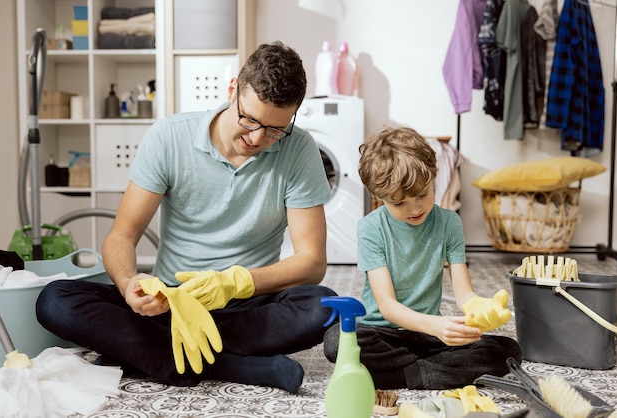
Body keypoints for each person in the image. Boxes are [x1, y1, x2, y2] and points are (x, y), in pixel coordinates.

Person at [36, 41, 337, 394]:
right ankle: (231, 365)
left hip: (247, 304)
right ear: (231, 91)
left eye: (275, 129)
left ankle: (146, 355)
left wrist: (233, 282)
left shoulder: (299, 150)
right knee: (55, 300)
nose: (258, 138)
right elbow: (122, 235)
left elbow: (312, 262)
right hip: (170, 303)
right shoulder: (169, 136)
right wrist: (129, 284)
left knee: (323, 304)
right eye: (250, 119)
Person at [323, 126, 522, 390]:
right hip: (382, 333)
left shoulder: (449, 222)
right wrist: (437, 325)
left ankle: (399, 374)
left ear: (433, 179)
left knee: (508, 350)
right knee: (337, 340)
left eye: (422, 195)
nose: (415, 208)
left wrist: (478, 308)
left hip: (428, 336)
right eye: (399, 203)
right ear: (379, 197)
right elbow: (387, 305)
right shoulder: (371, 228)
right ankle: (424, 374)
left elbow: (464, 294)